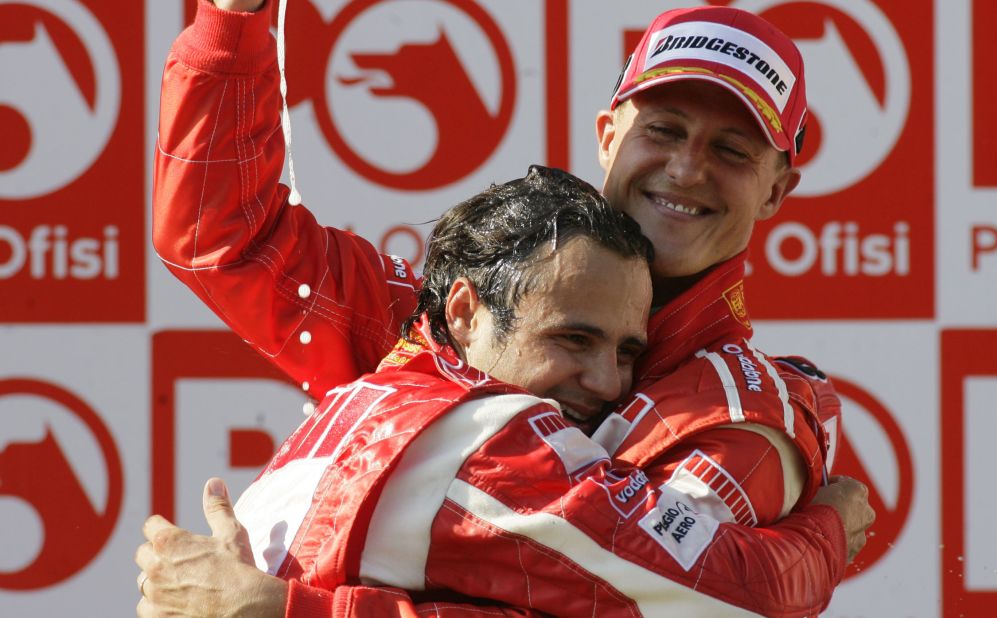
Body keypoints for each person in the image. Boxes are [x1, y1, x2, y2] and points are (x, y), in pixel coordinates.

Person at [147, 0, 874, 614]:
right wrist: (233, 19)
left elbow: (690, 603)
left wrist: (282, 607)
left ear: (776, 190)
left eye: (732, 149)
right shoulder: (448, 315)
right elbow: (227, 238)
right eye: (664, 129)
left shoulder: (743, 416)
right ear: (607, 136)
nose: (687, 168)